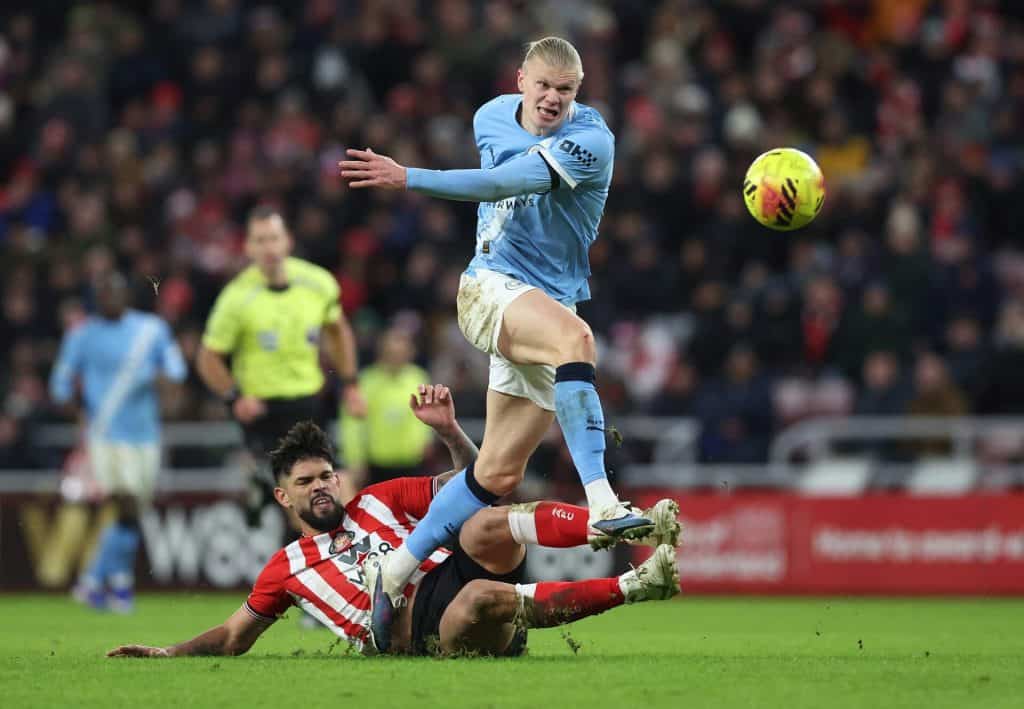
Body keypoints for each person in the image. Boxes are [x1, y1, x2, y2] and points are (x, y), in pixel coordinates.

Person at [339, 36, 652, 649]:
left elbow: (507, 180)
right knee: (577, 340)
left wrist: (411, 178)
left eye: (566, 90)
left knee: (497, 472)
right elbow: (493, 182)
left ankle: (395, 569)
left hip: (542, 302)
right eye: (543, 86)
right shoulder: (489, 115)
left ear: (578, 93)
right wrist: (412, 179)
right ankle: (605, 501)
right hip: (488, 287)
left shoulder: (592, 142)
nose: (553, 99)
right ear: (521, 82)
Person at [106, 385, 681, 658]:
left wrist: (449, 432)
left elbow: (475, 483)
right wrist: (170, 653)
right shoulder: (286, 569)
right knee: (482, 595)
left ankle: (617, 523)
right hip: (417, 633)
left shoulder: (379, 499)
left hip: (448, 572)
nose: (322, 487)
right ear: (283, 498)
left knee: (484, 522)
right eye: (306, 483)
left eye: (326, 475)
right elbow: (234, 637)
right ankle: (637, 586)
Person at [196, 205, 366, 519]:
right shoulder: (236, 298)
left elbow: (338, 331)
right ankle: (263, 491)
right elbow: (208, 358)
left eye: (273, 238)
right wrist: (235, 397)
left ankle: (262, 492)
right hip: (264, 412)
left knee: (340, 491)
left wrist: (351, 384)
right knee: (301, 500)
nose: (268, 248)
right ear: (248, 247)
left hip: (310, 403)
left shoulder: (318, 283)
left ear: (287, 241)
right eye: (260, 241)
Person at [49, 271, 187, 611]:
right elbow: (60, 384)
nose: (109, 297)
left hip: (146, 434)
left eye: (116, 291)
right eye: (103, 292)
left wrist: (165, 386)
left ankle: (109, 582)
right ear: (96, 298)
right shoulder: (82, 335)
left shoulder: (150, 329)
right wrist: (77, 412)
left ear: (127, 295)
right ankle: (101, 581)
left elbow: (176, 369)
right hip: (106, 435)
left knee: (134, 509)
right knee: (124, 501)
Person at [339, 326, 431, 497]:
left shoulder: (418, 378)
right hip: (376, 465)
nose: (397, 357)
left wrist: (426, 440)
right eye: (392, 352)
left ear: (410, 352)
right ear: (382, 352)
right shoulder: (366, 381)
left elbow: (427, 413)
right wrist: (355, 459)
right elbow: (352, 424)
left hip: (412, 462)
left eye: (401, 352)